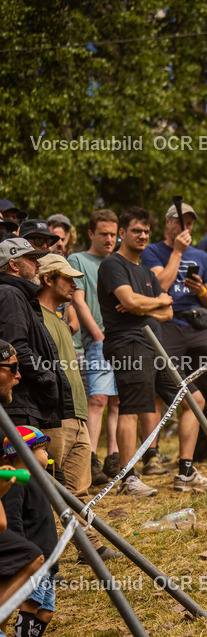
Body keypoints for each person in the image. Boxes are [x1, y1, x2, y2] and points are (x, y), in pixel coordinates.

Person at [98, 206, 207, 495]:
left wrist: (146, 304)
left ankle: (185, 471)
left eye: (146, 231)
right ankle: (129, 479)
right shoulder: (113, 265)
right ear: (122, 233)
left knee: (194, 400)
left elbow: (168, 312)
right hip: (129, 345)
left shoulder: (147, 272)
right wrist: (152, 302)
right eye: (136, 230)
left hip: (156, 347)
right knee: (132, 408)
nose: (142, 235)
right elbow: (131, 301)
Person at [36, 254, 121, 561]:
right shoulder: (35, 318)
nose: (74, 285)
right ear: (47, 279)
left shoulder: (60, 320)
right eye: (67, 279)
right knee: (45, 491)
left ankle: (89, 547)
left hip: (77, 413)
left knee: (78, 489)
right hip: (54, 417)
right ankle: (40, 559)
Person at [143, 201, 207, 457]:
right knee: (159, 390)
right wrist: (177, 252)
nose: (185, 228)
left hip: (197, 326)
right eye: (180, 222)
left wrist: (201, 290)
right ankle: (151, 455)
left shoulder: (202, 256)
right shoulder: (152, 251)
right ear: (168, 223)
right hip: (166, 324)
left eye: (189, 223)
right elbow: (159, 287)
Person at [67, 210, 120, 484]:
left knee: (118, 400)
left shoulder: (119, 261)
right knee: (97, 399)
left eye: (113, 234)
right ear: (91, 233)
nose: (109, 239)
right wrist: (98, 335)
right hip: (97, 340)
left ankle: (115, 457)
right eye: (103, 234)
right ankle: (90, 459)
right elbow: (78, 300)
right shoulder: (77, 259)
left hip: (122, 339)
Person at [0, 238, 73, 432]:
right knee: (24, 454)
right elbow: (16, 348)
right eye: (31, 259)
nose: (38, 265)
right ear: (14, 265)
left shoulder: (17, 295)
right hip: (19, 405)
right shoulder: (11, 294)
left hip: (23, 404)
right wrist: (47, 379)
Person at [1, 425, 58, 637]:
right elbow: (11, 522)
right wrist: (24, 555)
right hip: (33, 558)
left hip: (49, 559)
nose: (47, 454)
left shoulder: (41, 480)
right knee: (30, 604)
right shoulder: (17, 483)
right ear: (23, 453)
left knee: (46, 611)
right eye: (43, 449)